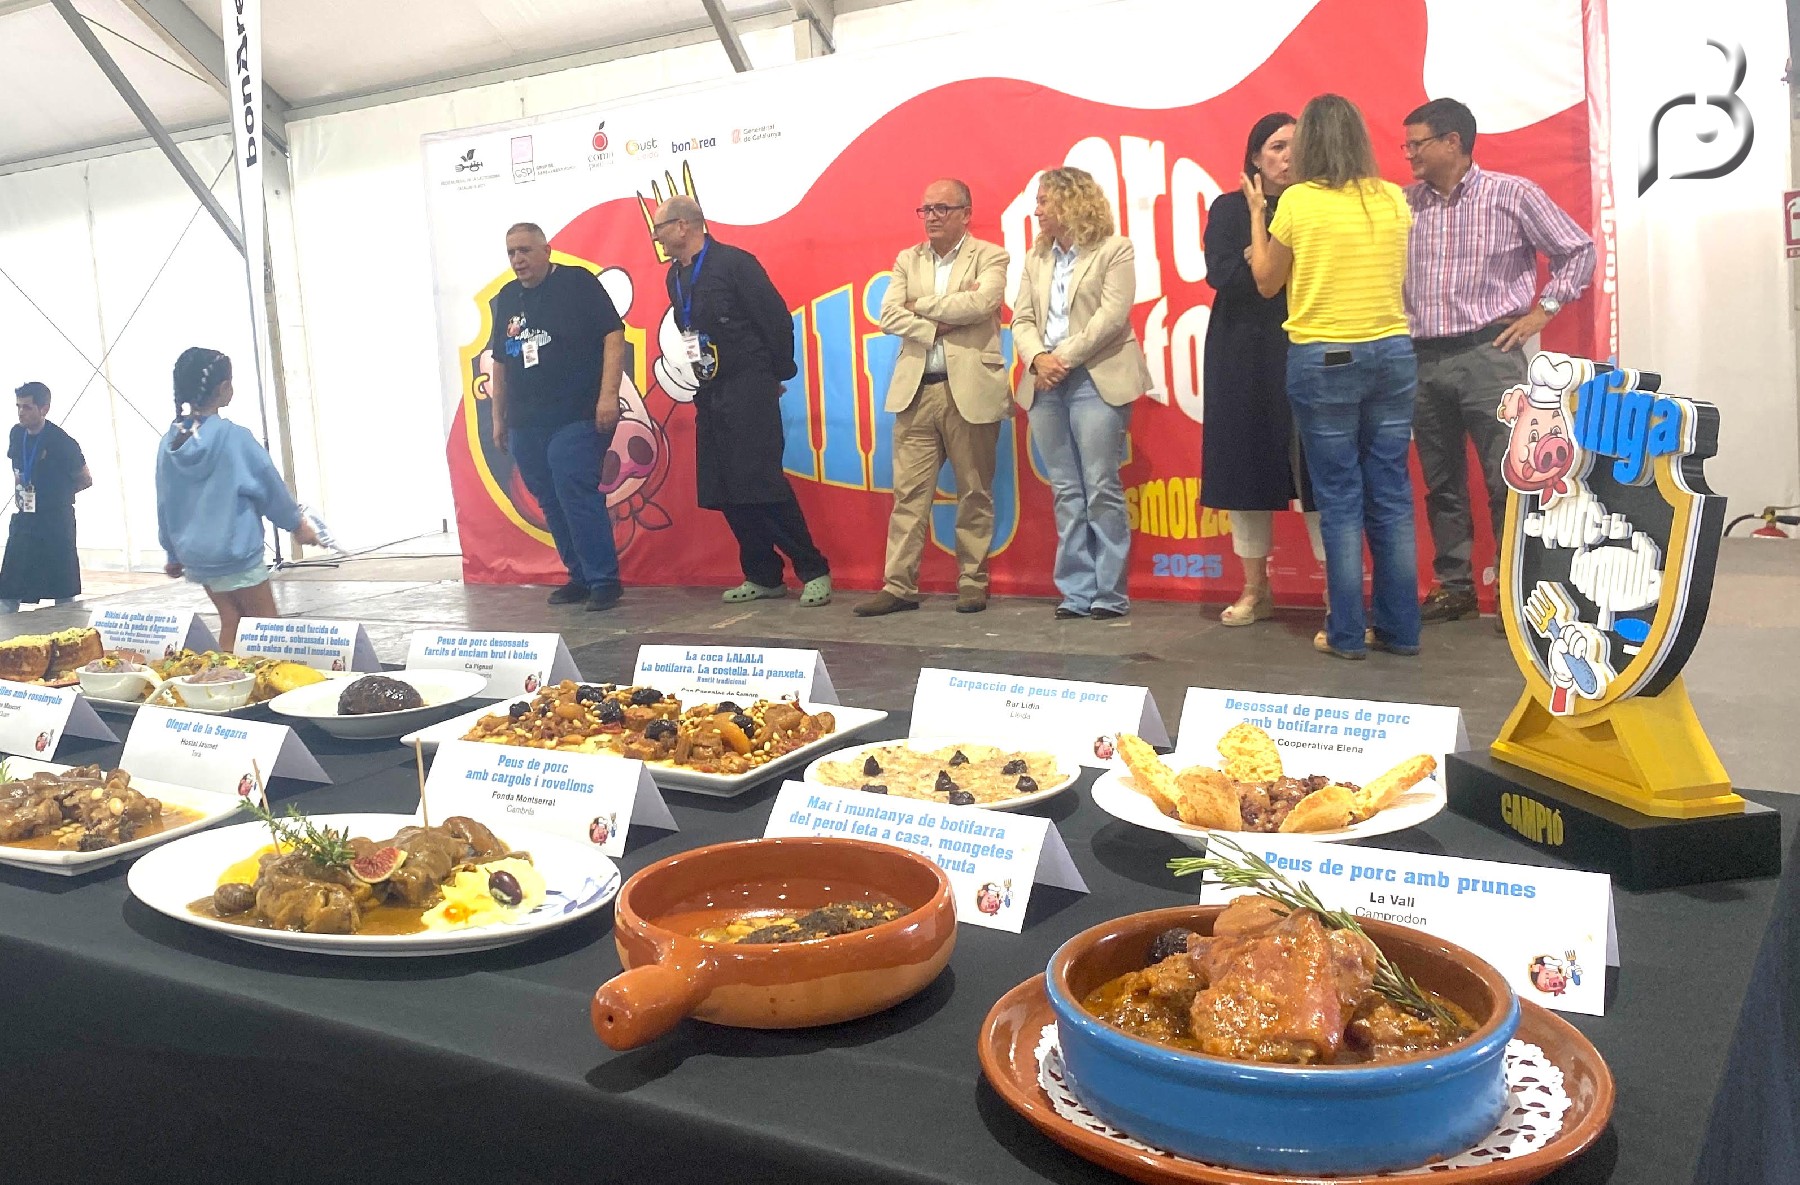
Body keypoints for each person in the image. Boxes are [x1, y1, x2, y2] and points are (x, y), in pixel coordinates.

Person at [1402, 97, 1595, 628]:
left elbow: (1578, 251)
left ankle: (1517, 589)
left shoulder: (1512, 194)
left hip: (1491, 353)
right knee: (1440, 480)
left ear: (1453, 142)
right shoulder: (1403, 204)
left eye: (1417, 143)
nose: (1409, 154)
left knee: (1506, 476)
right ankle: (1455, 585)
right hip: (1421, 357)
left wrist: (1543, 311)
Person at [1246, 93, 1419, 660]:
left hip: (1325, 357)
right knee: (1391, 493)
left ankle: (1347, 632)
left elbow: (1267, 281)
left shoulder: (1298, 201)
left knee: (1340, 499)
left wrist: (1257, 215)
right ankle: (1400, 630)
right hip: (1392, 352)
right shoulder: (1392, 197)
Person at [651, 195, 832, 607]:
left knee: (759, 481)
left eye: (659, 228)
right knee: (723, 486)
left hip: (748, 386)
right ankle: (762, 574)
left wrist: (774, 375)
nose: (656, 237)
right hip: (710, 389)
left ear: (682, 226)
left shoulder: (735, 264)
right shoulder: (674, 277)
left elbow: (776, 320)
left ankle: (813, 568)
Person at [857, 179, 1011, 617]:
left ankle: (972, 582)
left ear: (966, 213)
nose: (932, 217)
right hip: (916, 390)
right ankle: (899, 586)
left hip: (971, 389)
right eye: (926, 209)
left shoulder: (991, 255)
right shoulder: (907, 258)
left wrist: (919, 305)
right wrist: (937, 320)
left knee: (974, 492)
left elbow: (981, 304)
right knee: (908, 495)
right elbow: (888, 314)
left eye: (942, 208)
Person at [1011, 167, 1152, 620]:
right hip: (1045, 381)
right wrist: (1037, 358)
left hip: (1096, 377)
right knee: (1066, 489)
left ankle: (1110, 594)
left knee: (1100, 485)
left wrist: (1060, 359)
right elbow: (1020, 319)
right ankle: (1075, 592)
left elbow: (1111, 318)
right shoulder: (1036, 257)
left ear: (1071, 201)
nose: (1037, 210)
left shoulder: (1114, 249)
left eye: (1044, 201)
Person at [1201, 113, 1324, 626]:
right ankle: (1255, 588)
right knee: (1244, 467)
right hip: (1244, 348)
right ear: (1255, 156)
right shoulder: (1230, 208)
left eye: (1297, 144)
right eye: (1276, 146)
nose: (1287, 156)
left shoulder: (1320, 202)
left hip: (1309, 341)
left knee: (1319, 469)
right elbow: (1224, 274)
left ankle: (1338, 593)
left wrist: (1262, 256)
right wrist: (1265, 258)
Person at [487, 221, 626, 612]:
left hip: (577, 413)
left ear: (546, 251)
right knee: (548, 498)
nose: (518, 259)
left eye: (525, 250)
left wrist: (608, 395)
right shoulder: (508, 297)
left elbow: (614, 335)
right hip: (526, 420)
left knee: (573, 486)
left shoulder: (577, 283)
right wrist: (498, 417)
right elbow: (500, 361)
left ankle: (604, 580)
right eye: (511, 252)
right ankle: (579, 576)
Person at [156, 349, 320, 652]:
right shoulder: (235, 438)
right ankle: (253, 680)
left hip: (197, 558)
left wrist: (172, 553)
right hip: (235, 554)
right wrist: (297, 525)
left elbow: (164, 502)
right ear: (223, 388)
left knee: (232, 619)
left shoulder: (170, 442)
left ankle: (226, 677)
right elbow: (270, 487)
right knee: (265, 628)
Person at [0, 382, 91, 614]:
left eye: (27, 407)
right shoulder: (16, 434)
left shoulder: (62, 442)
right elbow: (17, 467)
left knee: (62, 582)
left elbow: (85, 479)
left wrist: (56, 495)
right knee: (10, 580)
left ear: (44, 409)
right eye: (18, 406)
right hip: (26, 517)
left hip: (55, 520)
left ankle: (68, 624)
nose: (21, 412)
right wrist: (20, 490)